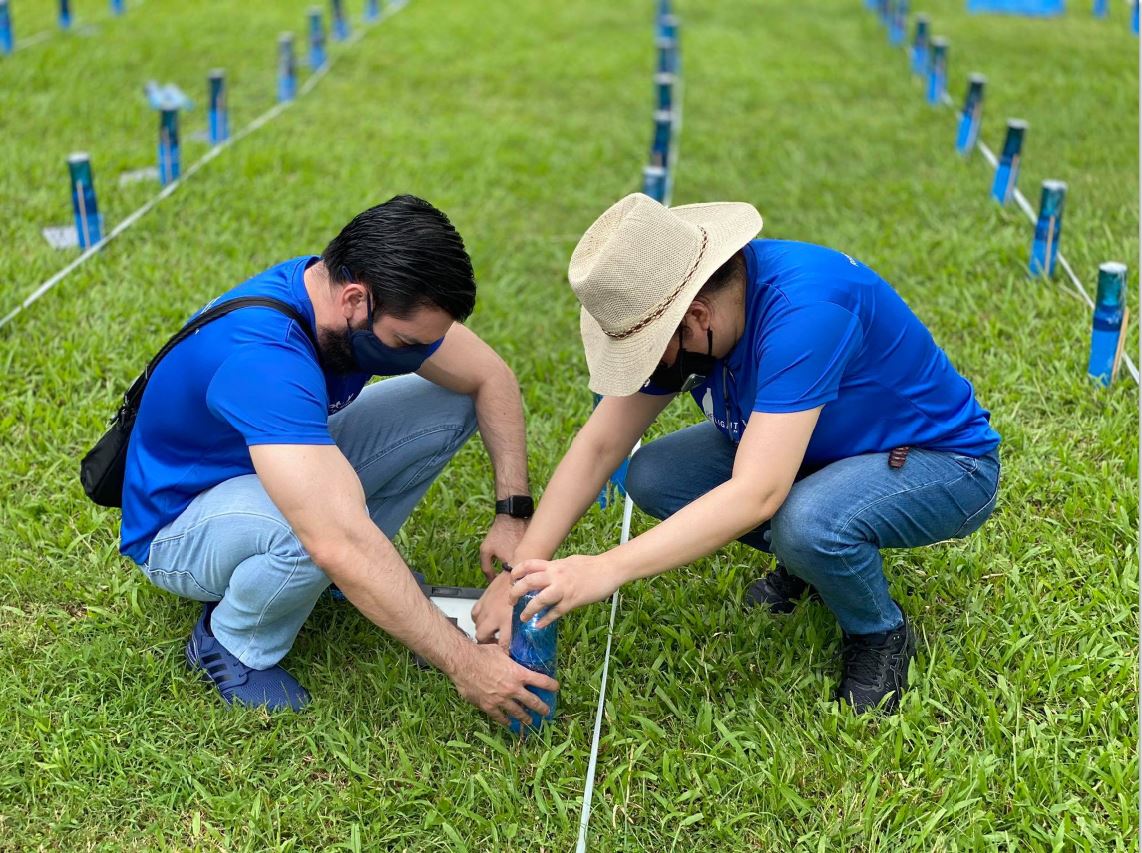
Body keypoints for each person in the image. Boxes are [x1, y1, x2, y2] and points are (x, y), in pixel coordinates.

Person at [473, 192, 1000, 713]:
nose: (647, 370)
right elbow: (600, 445)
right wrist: (518, 574)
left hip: (939, 462)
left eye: (649, 352)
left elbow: (757, 493)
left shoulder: (807, 311)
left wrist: (606, 569)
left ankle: (878, 630)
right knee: (655, 475)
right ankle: (812, 562)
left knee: (805, 521)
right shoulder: (688, 316)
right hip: (817, 447)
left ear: (698, 316)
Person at [122, 194, 556, 723]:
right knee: (315, 532)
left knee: (457, 398)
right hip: (179, 529)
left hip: (271, 468)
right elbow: (334, 538)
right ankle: (233, 641)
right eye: (406, 341)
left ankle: (343, 582)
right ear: (356, 298)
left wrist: (513, 514)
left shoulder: (341, 291)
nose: (417, 353)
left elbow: (491, 377)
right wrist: (467, 663)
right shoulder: (265, 358)